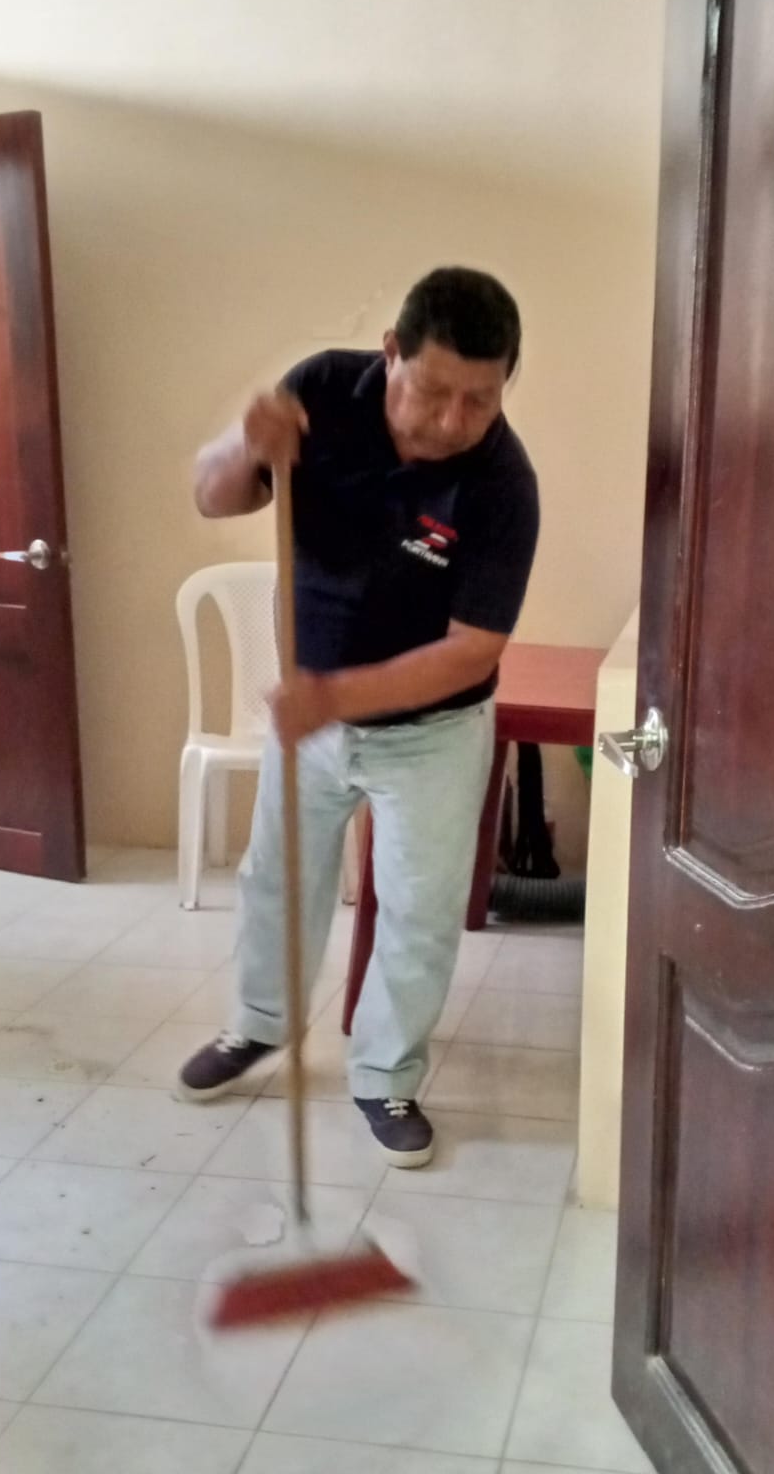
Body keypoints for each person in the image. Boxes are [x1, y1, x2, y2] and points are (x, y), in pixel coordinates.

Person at [177, 267, 539, 1168]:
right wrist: (243, 446)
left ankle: (384, 1074)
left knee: (418, 910)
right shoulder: (323, 391)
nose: (452, 420)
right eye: (434, 391)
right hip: (312, 719)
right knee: (277, 880)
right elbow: (215, 495)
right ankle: (259, 1025)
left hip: (433, 735)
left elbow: (472, 650)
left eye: (481, 399)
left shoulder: (502, 483)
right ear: (391, 355)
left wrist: (333, 698)